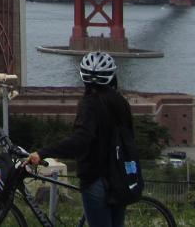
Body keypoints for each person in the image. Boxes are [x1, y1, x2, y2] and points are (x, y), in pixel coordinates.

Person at [26, 52, 134, 227]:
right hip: (119, 179)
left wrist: (43, 152)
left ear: (84, 78)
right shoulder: (122, 103)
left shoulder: (90, 104)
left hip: (95, 179)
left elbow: (80, 141)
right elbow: (130, 140)